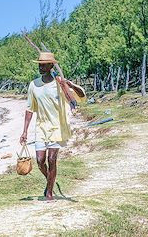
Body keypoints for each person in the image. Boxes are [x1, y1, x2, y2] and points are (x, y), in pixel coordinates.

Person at [19, 52, 86, 201]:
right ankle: (50, 180)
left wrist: (71, 85)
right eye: (39, 64)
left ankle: (49, 192)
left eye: (43, 65)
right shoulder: (33, 85)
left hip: (57, 127)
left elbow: (81, 96)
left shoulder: (60, 84)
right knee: (40, 161)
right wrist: (24, 131)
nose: (40, 67)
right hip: (41, 127)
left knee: (51, 160)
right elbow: (30, 109)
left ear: (51, 66)